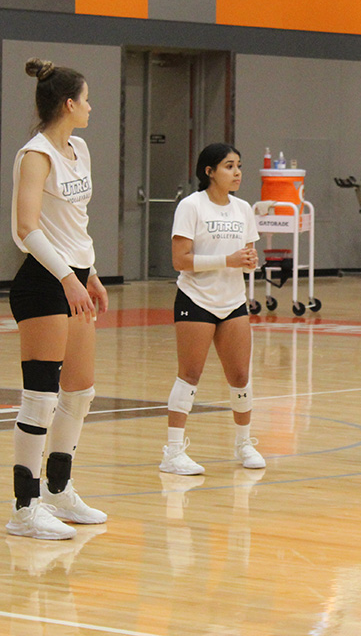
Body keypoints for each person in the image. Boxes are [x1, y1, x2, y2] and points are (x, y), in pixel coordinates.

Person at [7, 58, 109, 540]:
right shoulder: (35, 154)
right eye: (87, 98)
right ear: (69, 104)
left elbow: (76, 223)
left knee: (80, 392)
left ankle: (58, 490)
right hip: (43, 282)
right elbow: (28, 228)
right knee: (40, 398)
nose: (91, 106)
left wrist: (91, 275)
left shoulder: (80, 148)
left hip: (74, 277)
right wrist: (68, 276)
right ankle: (24, 509)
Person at [159, 143, 265, 476]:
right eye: (229, 166)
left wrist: (248, 262)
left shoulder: (243, 208)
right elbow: (181, 260)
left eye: (239, 166)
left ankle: (244, 443)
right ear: (209, 172)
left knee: (241, 376)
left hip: (233, 301)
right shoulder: (191, 206)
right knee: (189, 375)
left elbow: (246, 256)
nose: (237, 173)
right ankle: (173, 452)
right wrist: (227, 260)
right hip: (196, 299)